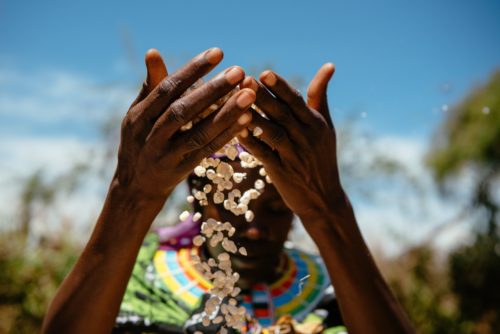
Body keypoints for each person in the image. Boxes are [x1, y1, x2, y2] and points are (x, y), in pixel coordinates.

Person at [41, 47, 414, 334]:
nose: (255, 229)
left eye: (279, 207)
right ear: (199, 197)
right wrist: (131, 197)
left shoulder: (329, 283)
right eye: (233, 204)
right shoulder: (140, 272)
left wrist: (330, 210)